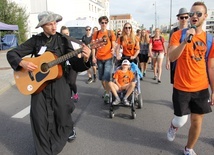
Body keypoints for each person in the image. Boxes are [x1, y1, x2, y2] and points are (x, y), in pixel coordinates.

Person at [7, 11, 91, 155]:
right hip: (40, 85)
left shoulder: (63, 40)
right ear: (42, 26)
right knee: (39, 118)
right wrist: (22, 63)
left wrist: (85, 58)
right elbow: (12, 54)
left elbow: (76, 64)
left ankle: (59, 140)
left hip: (60, 84)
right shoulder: (35, 40)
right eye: (50, 24)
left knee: (62, 115)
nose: (54, 26)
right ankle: (44, 152)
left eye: (55, 23)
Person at [167, 2, 214, 155]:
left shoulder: (210, 40)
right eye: (192, 13)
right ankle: (174, 126)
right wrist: (185, 41)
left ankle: (188, 148)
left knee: (196, 121)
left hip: (201, 87)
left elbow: (211, 66)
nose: (194, 16)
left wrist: (213, 90)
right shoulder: (177, 35)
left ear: (205, 16)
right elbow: (172, 57)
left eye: (198, 14)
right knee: (181, 120)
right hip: (181, 86)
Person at [92, 16, 116, 103]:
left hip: (108, 57)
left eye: (105, 22)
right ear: (99, 23)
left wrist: (113, 49)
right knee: (101, 78)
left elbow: (113, 43)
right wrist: (93, 57)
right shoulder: (96, 33)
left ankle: (107, 93)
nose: (104, 24)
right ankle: (107, 91)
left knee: (107, 76)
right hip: (99, 58)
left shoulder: (110, 33)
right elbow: (93, 46)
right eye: (102, 22)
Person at [166, 7, 189, 84]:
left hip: (187, 60)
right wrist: (167, 61)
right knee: (176, 82)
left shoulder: (191, 30)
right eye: (182, 17)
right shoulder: (173, 31)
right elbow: (169, 46)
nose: (184, 19)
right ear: (178, 18)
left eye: (186, 17)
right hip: (175, 60)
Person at [60, 26, 79, 102]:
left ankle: (75, 93)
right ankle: (69, 96)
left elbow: (78, 53)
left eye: (67, 33)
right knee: (65, 82)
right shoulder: (60, 43)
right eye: (64, 34)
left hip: (73, 65)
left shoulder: (73, 42)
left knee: (72, 81)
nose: (66, 35)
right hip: (63, 65)